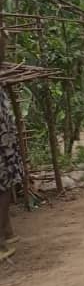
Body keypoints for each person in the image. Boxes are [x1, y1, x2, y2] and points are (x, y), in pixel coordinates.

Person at [0, 85, 23, 262]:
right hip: (3, 149)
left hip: (5, 147)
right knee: (4, 190)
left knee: (5, 188)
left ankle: (7, 232)